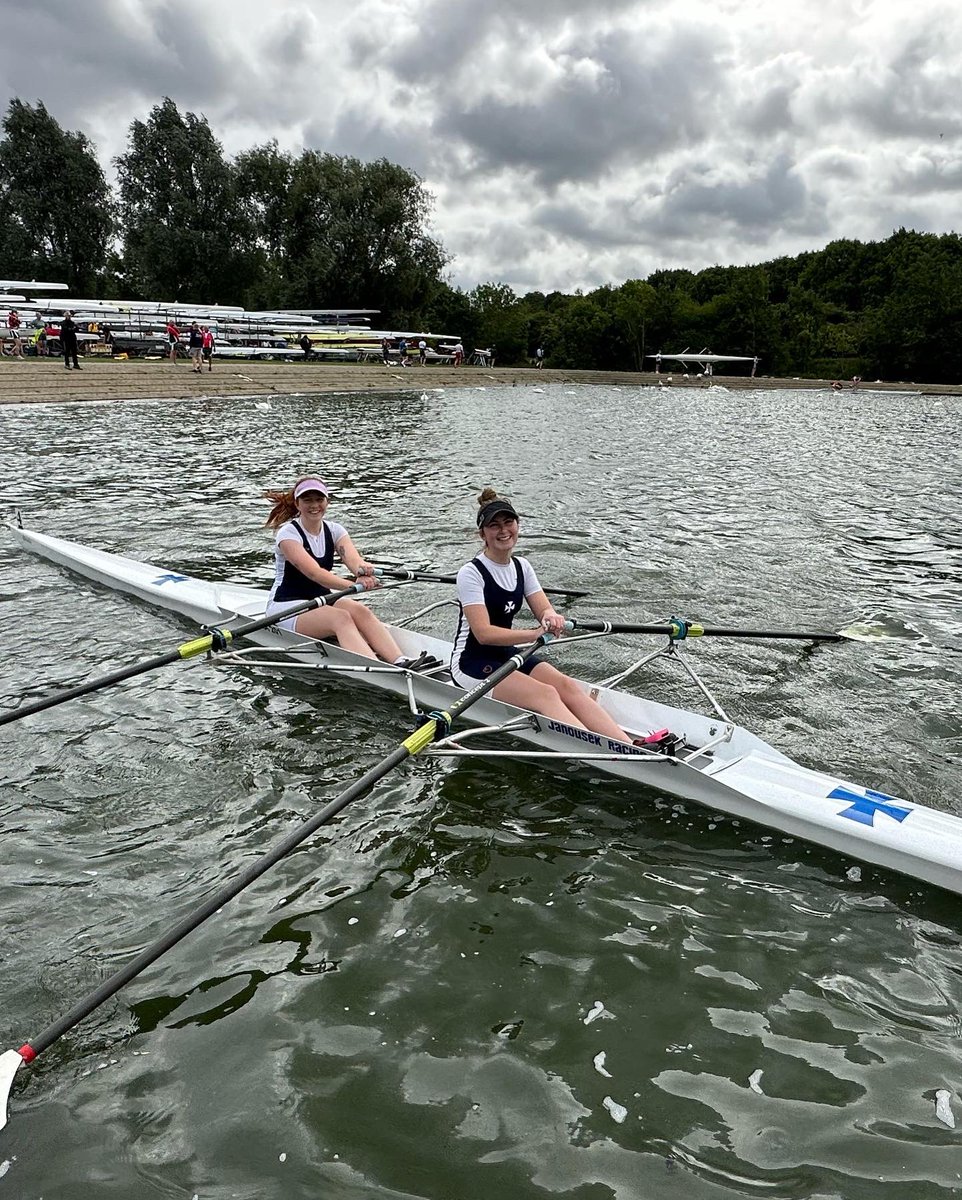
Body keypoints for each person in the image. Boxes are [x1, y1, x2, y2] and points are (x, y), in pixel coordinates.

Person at [451, 489, 642, 746]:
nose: (503, 530)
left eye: (508, 522)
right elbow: (483, 634)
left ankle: (629, 746)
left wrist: (551, 617)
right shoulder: (471, 573)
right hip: (471, 663)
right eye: (494, 526)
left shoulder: (522, 566)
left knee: (567, 686)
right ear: (482, 534)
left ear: (517, 526)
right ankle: (601, 751)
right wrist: (534, 634)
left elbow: (545, 610)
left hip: (505, 654)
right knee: (546, 694)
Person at [264, 476, 441, 670]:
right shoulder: (288, 534)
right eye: (307, 500)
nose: (314, 505)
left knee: (360, 611)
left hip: (320, 598)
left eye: (319, 499)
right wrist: (352, 586)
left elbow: (355, 563)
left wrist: (364, 572)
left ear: (327, 502)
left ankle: (399, 660)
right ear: (297, 504)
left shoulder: (335, 530)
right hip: (286, 606)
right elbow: (314, 573)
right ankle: (377, 670)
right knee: (340, 618)